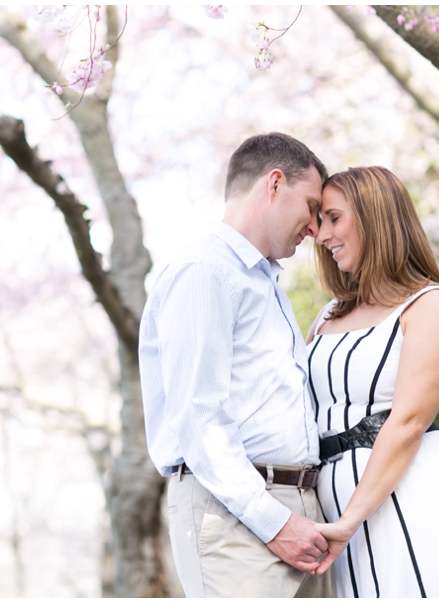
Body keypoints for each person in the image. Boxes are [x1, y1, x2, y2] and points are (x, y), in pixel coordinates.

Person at [139, 133, 334, 597]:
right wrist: (276, 522)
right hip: (237, 513)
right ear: (273, 183)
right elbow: (198, 418)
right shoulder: (206, 270)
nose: (315, 228)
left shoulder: (264, 281)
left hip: (295, 510)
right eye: (310, 206)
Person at [305, 166, 439, 598]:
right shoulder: (327, 315)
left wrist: (349, 520)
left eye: (334, 218)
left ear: (375, 217)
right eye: (319, 221)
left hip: (407, 494)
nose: (321, 235)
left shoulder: (432, 305)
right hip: (334, 506)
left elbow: (408, 421)